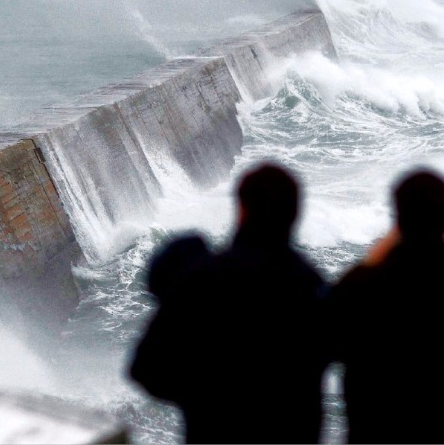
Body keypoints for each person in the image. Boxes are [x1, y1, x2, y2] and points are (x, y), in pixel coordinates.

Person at [130, 163, 328, 444]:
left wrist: (201, 397)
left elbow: (146, 368)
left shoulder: (204, 279)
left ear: (242, 209)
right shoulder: (310, 286)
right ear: (295, 215)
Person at [329, 169, 444, 444]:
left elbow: (329, 347)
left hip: (378, 431)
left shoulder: (359, 287)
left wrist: (371, 262)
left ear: (397, 218)